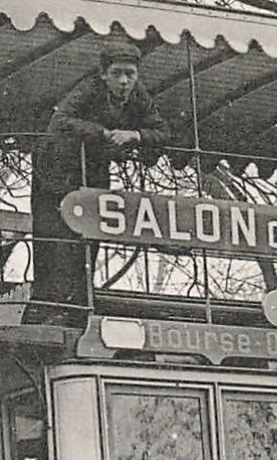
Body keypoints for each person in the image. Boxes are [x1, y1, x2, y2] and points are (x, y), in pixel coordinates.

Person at [28, 40, 172, 325]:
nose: (123, 81)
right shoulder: (88, 89)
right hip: (56, 172)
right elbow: (61, 121)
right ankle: (48, 308)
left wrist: (135, 135)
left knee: (90, 238)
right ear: (104, 74)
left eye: (130, 74)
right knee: (56, 239)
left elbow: (163, 131)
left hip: (93, 171)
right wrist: (104, 133)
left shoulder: (138, 96)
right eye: (117, 73)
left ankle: (80, 309)